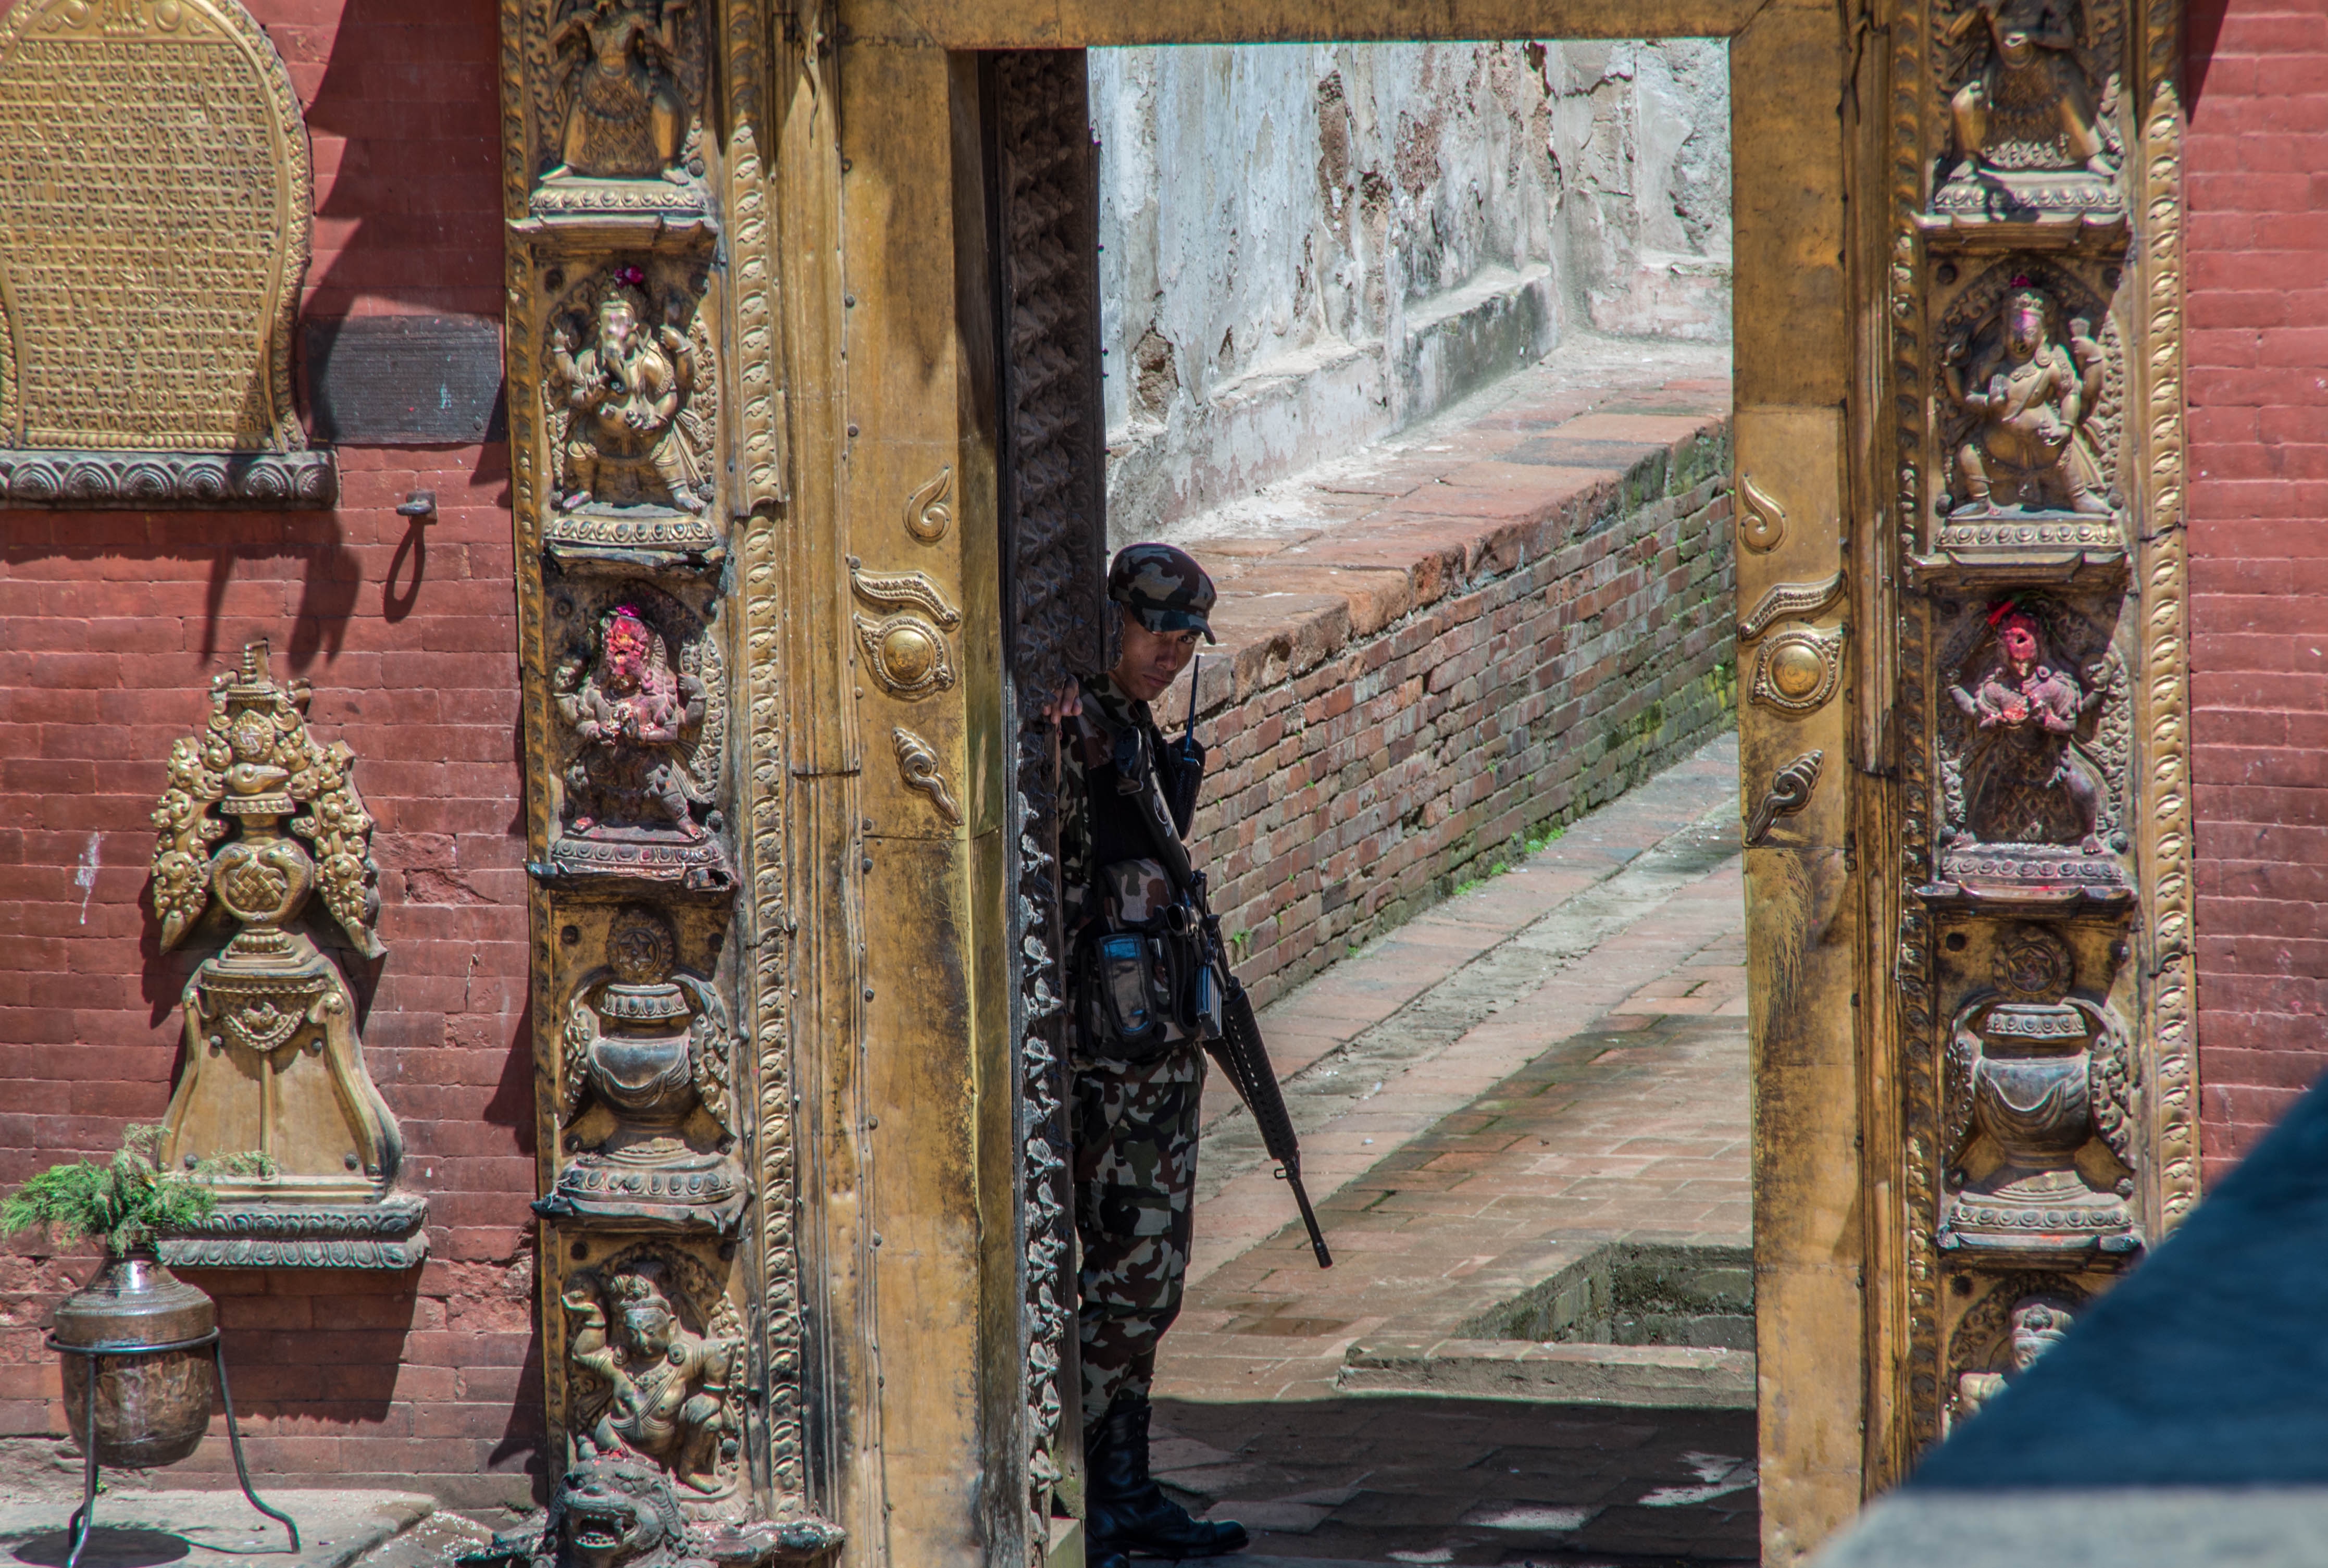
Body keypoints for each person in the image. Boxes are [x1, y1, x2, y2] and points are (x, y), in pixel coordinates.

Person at [1054, 543, 1248, 1562]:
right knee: (1126, 1283)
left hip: (1158, 1048)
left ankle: (1123, 1485)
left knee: (1155, 1282)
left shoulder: (1130, 727)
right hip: (1109, 1064)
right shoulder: (1073, 727)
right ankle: (1076, 1483)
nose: (1171, 653)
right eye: (1156, 631)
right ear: (1113, 622)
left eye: (1185, 639)